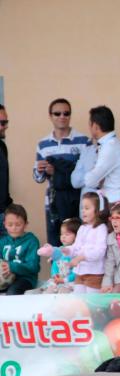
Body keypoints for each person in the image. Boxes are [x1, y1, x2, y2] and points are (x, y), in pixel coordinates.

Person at [33, 98, 88, 246]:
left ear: (70, 115)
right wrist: (40, 170)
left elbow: (88, 174)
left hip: (78, 202)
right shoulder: (43, 144)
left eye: (66, 113)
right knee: (56, 247)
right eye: (57, 113)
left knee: (79, 246)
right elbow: (38, 178)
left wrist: (57, 170)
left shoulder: (84, 141)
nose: (62, 117)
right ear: (50, 116)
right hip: (52, 203)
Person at [83, 106, 120, 204]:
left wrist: (93, 175)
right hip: (119, 201)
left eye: (90, 125)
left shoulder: (110, 148)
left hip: (117, 205)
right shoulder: (115, 144)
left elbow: (90, 181)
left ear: (95, 126)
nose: (89, 128)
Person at [67, 191, 108, 293]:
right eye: (82, 208)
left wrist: (81, 257)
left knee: (91, 303)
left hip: (94, 274)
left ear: (98, 210)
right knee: (79, 300)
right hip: (80, 272)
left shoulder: (101, 228)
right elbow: (76, 247)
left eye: (87, 208)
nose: (83, 211)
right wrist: (67, 250)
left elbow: (100, 252)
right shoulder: (82, 228)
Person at [30, 218, 82, 294]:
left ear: (77, 236)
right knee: (48, 292)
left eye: (67, 234)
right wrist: (55, 275)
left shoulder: (77, 253)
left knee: (63, 293)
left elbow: (76, 272)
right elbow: (54, 264)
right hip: (58, 280)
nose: (63, 237)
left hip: (70, 282)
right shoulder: (59, 250)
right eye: (62, 234)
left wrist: (65, 280)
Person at [0, 204, 40, 295]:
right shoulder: (2, 241)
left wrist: (12, 267)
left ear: (25, 224)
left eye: (18, 224)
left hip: (25, 278)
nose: (14, 228)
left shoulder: (31, 241)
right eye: (10, 225)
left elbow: (34, 267)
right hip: (5, 279)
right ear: (4, 224)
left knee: (12, 292)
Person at [0, 104, 13, 236]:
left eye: (6, 122)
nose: (5, 126)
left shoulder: (2, 146)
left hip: (4, 214)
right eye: (2, 123)